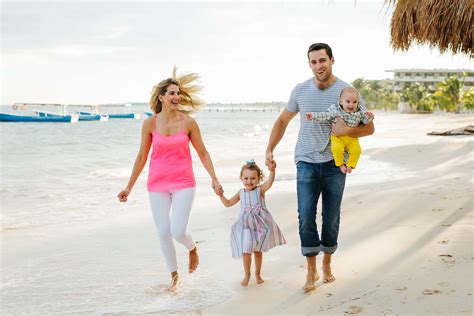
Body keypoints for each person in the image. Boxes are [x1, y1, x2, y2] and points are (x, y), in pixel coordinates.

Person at [265, 43, 374, 293]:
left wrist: (347, 130)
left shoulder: (347, 91)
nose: (318, 66)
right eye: (313, 62)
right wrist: (269, 149)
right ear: (309, 64)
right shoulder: (301, 90)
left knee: (331, 217)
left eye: (322, 60)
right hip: (305, 161)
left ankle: (327, 263)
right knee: (305, 216)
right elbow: (282, 120)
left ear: (332, 60)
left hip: (336, 164)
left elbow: (369, 127)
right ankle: (311, 269)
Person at [117, 67, 223, 291]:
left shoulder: (189, 123)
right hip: (157, 185)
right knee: (163, 232)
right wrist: (128, 187)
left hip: (184, 183)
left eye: (178, 93)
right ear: (161, 97)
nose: (176, 97)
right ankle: (174, 276)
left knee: (177, 231)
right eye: (172, 93)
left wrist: (214, 178)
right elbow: (141, 157)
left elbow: (203, 153)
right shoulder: (150, 123)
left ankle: (192, 248)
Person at [218, 159, 286, 287]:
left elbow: (269, 183)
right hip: (245, 226)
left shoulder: (260, 190)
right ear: (241, 178)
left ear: (258, 179)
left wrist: (272, 170)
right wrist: (220, 195)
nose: (249, 181)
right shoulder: (240, 193)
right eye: (246, 178)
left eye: (253, 178)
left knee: (258, 251)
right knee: (246, 250)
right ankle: (247, 274)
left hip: (259, 226)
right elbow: (227, 203)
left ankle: (257, 274)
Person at [306, 87, 374, 174]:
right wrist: (313, 116)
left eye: (354, 102)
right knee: (336, 148)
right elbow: (325, 115)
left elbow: (366, 121)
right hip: (338, 137)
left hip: (352, 138)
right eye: (348, 101)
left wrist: (369, 116)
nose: (351, 105)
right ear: (341, 102)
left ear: (358, 102)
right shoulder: (336, 110)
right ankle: (340, 164)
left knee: (357, 150)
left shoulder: (360, 112)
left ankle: (350, 165)